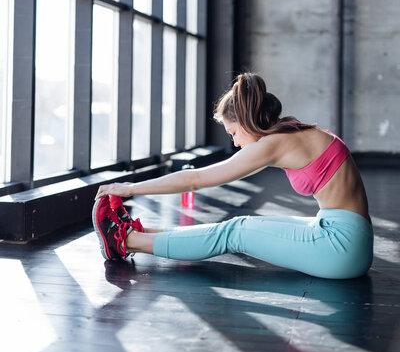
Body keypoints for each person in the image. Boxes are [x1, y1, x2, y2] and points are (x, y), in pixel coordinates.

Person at [92, 73, 373, 279]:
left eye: (233, 133)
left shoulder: (275, 144)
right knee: (243, 226)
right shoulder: (292, 132)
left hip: (342, 248)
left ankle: (124, 241)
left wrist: (129, 187)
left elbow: (196, 179)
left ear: (247, 121)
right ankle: (139, 233)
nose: (236, 143)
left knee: (235, 230)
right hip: (348, 237)